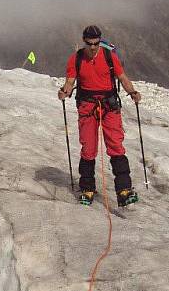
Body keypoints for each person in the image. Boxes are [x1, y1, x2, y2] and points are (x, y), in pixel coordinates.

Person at [58, 25, 142, 207]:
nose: (93, 47)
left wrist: (132, 92)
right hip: (88, 105)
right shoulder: (76, 59)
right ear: (84, 41)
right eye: (90, 44)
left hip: (109, 105)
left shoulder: (109, 56)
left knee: (115, 145)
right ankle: (87, 188)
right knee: (88, 147)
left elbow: (122, 77)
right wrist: (65, 91)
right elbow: (70, 81)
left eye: (96, 43)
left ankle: (124, 190)